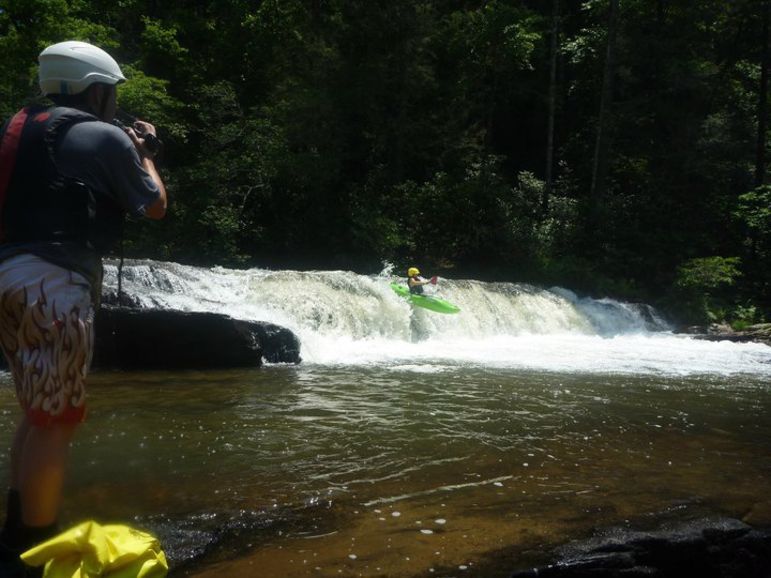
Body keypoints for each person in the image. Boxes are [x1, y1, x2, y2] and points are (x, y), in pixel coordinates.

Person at [0, 40, 167, 575]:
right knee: (58, 417)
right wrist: (144, 151)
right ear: (96, 90)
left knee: (38, 409)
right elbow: (155, 205)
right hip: (51, 283)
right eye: (112, 92)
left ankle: (16, 528)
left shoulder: (18, 127)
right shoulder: (101, 135)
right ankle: (33, 551)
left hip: (8, 276)